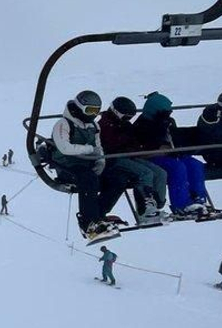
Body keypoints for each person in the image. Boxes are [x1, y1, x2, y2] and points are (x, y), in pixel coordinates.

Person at [51, 88, 129, 239]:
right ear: (80, 107)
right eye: (90, 110)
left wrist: (100, 160)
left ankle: (98, 216)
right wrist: (89, 150)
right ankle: (88, 223)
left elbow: (98, 147)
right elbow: (64, 148)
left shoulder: (94, 126)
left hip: (87, 164)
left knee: (118, 179)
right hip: (66, 166)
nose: (92, 115)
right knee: (89, 179)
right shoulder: (63, 124)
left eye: (96, 111)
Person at [133, 92, 210, 216]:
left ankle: (199, 199)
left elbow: (173, 138)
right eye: (165, 113)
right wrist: (163, 150)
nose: (168, 116)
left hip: (171, 154)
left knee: (195, 165)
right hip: (152, 158)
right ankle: (181, 205)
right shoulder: (142, 126)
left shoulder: (167, 122)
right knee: (177, 168)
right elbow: (139, 151)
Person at [97, 96, 169, 224]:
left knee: (160, 173)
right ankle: (144, 210)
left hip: (129, 156)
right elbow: (109, 145)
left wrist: (135, 147)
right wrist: (125, 144)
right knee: (145, 173)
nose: (128, 120)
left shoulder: (125, 125)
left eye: (130, 118)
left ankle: (157, 205)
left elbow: (133, 142)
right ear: (116, 113)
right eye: (126, 117)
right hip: (113, 159)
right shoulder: (104, 125)